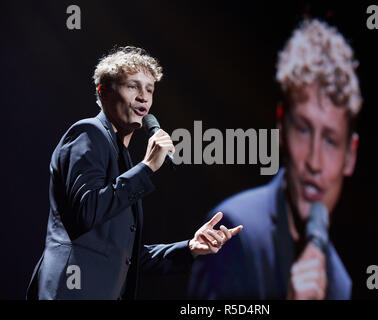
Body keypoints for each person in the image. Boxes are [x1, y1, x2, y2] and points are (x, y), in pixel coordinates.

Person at [26, 46, 242, 300]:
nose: (143, 97)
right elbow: (87, 211)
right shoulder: (88, 133)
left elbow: (126, 257)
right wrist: (147, 166)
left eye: (149, 89)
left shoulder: (122, 160)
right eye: (132, 86)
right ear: (103, 92)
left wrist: (191, 248)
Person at [188, 19, 362, 300]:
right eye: (303, 130)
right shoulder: (233, 234)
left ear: (350, 156)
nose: (314, 162)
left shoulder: (339, 282)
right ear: (282, 128)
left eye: (330, 141)